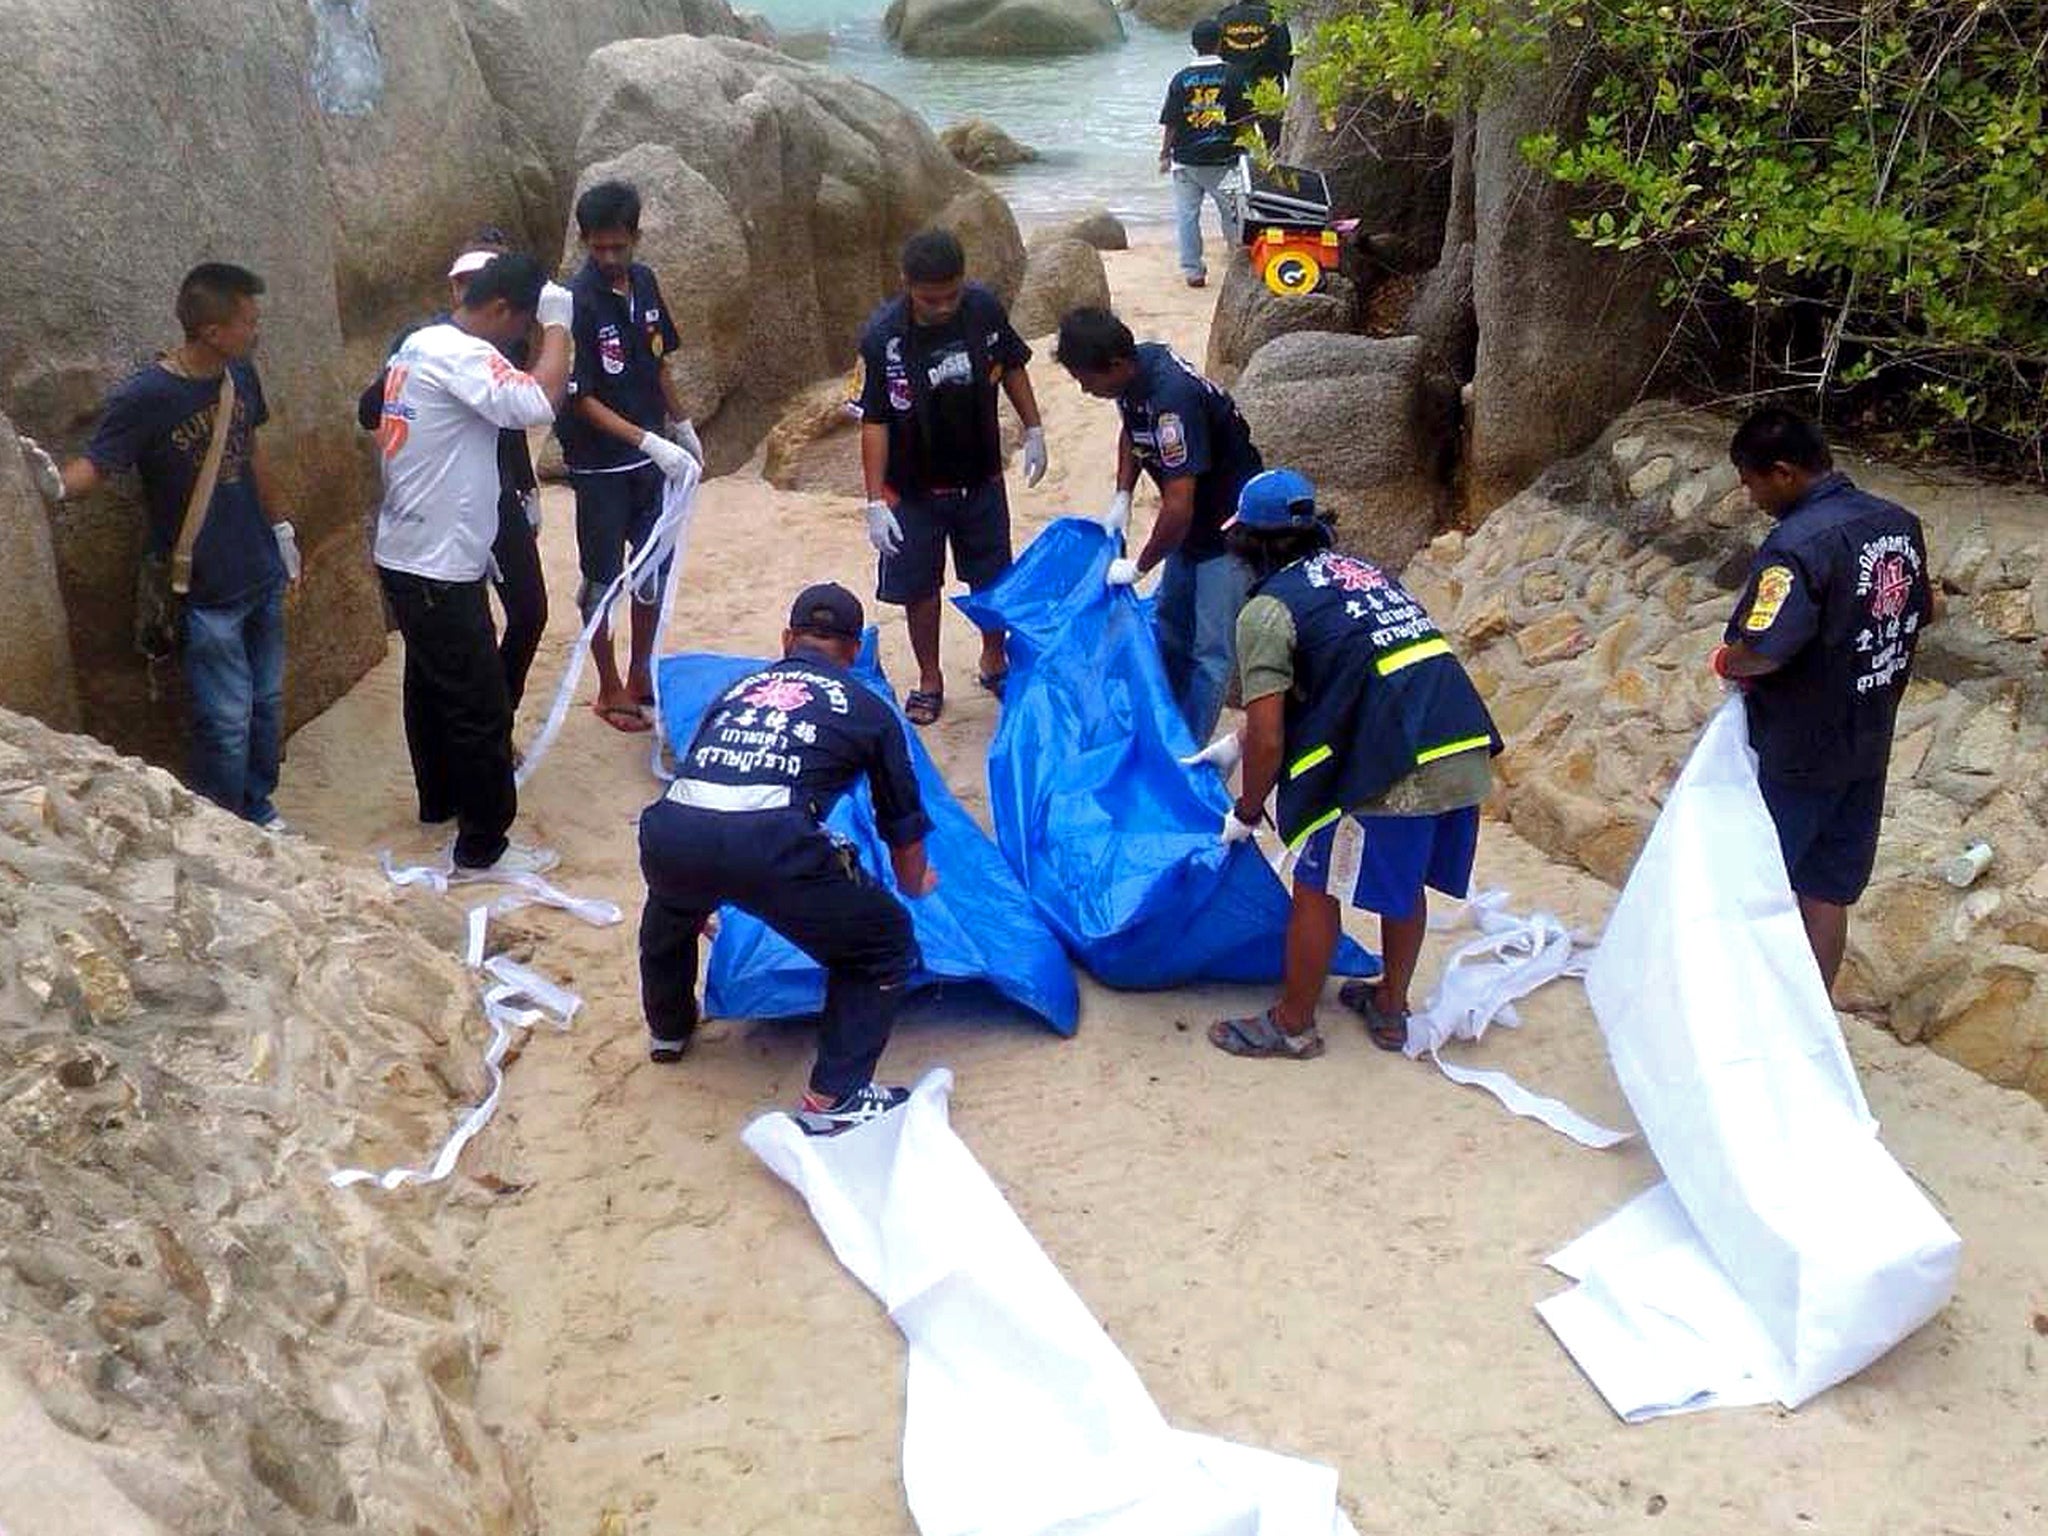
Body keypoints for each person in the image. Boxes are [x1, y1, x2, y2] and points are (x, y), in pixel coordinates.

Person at [1183, 470, 1500, 1060]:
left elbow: (1273, 737)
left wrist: (1247, 810)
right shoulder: (1359, 572)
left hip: (1396, 762)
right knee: (1402, 883)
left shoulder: (1266, 611)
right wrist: (1236, 742)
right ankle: (1390, 1005)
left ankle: (1293, 1023)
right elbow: (1343, 667)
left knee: (1315, 882)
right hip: (1460, 741)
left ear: (1249, 544)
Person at [637, 582, 938, 1134]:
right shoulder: (868, 710)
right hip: (772, 844)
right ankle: (836, 1097)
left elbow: (703, 771)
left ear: (786, 640)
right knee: (883, 942)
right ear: (854, 652)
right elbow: (902, 825)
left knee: (673, 906)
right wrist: (916, 885)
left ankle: (669, 1028)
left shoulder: (736, 689)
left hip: (672, 833)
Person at [16, 263, 300, 830]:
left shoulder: (240, 376)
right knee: (225, 719)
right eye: (248, 320)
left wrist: (285, 531)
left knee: (266, 706)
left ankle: (259, 807)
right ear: (213, 331)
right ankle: (228, 825)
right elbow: (99, 463)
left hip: (259, 571)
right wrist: (49, 484)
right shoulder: (147, 395)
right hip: (206, 587)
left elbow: (253, 452)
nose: (256, 329)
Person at [1712, 407, 1938, 993]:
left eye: (1751, 480)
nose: (1750, 495)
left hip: (1798, 751)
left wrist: (1724, 660)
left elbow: (1765, 648)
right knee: (1827, 891)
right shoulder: (1898, 524)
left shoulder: (1798, 545)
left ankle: (1749, 1015)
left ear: (1783, 473)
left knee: (1756, 883)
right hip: (1867, 743)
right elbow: (1925, 608)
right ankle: (1815, 1021)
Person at [372, 253, 573, 875]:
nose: (519, 344)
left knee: (431, 686)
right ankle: (484, 848)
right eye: (519, 331)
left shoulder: (414, 346)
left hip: (407, 551)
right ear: (500, 310)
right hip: (437, 563)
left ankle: (440, 804)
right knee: (480, 706)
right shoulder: (460, 352)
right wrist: (560, 326)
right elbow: (539, 401)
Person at [858, 228, 1046, 725]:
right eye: (930, 298)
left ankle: (994, 658)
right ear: (907, 284)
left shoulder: (982, 308)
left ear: (963, 281)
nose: (943, 307)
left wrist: (1034, 428)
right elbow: (874, 418)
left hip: (980, 475)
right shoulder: (883, 337)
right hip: (912, 486)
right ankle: (929, 678)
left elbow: (1012, 366)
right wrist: (874, 499)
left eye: (951, 295)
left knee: (991, 576)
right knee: (920, 588)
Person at [357, 228, 548, 712]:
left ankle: (497, 709)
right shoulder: (428, 344)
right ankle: (486, 722)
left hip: (499, 495)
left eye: (482, 280)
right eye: (464, 281)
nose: (471, 291)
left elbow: (510, 427)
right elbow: (373, 410)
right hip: (446, 512)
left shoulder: (506, 341)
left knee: (528, 611)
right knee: (454, 634)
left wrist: (528, 489)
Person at [1054, 305, 1263, 743]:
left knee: (1210, 652)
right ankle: (1160, 713)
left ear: (1113, 365)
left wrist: (1141, 565)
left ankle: (1188, 746)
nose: (1084, 389)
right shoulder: (1135, 373)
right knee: (1168, 624)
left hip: (1226, 533)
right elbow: (1132, 431)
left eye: (1087, 380)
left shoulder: (1173, 402)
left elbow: (1178, 506)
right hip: (1189, 533)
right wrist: (1122, 494)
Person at [558, 180, 702, 735]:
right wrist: (647, 441)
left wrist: (682, 426)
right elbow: (582, 396)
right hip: (600, 466)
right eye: (599, 248)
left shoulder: (644, 283)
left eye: (619, 246)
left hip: (651, 462)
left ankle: (642, 672)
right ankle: (608, 683)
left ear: (636, 238)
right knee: (601, 579)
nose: (610, 258)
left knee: (651, 572)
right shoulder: (576, 304)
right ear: (585, 243)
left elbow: (660, 361)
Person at [1159, 19, 1252, 289]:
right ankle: (1237, 263)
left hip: (1186, 160)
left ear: (1193, 45)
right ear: (1220, 42)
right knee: (1232, 214)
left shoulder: (1180, 79)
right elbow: (1245, 117)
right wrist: (1253, 148)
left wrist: (1164, 154)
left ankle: (1193, 271)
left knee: (1187, 216)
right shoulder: (1234, 75)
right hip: (1225, 158)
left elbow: (1172, 122)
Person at [1213, 0, 1293, 151]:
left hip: (1235, 88)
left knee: (1238, 141)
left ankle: (1241, 170)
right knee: (1273, 143)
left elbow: (1218, 53)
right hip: (1268, 88)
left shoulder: (1224, 17)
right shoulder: (1274, 15)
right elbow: (1285, 56)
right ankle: (1270, 170)